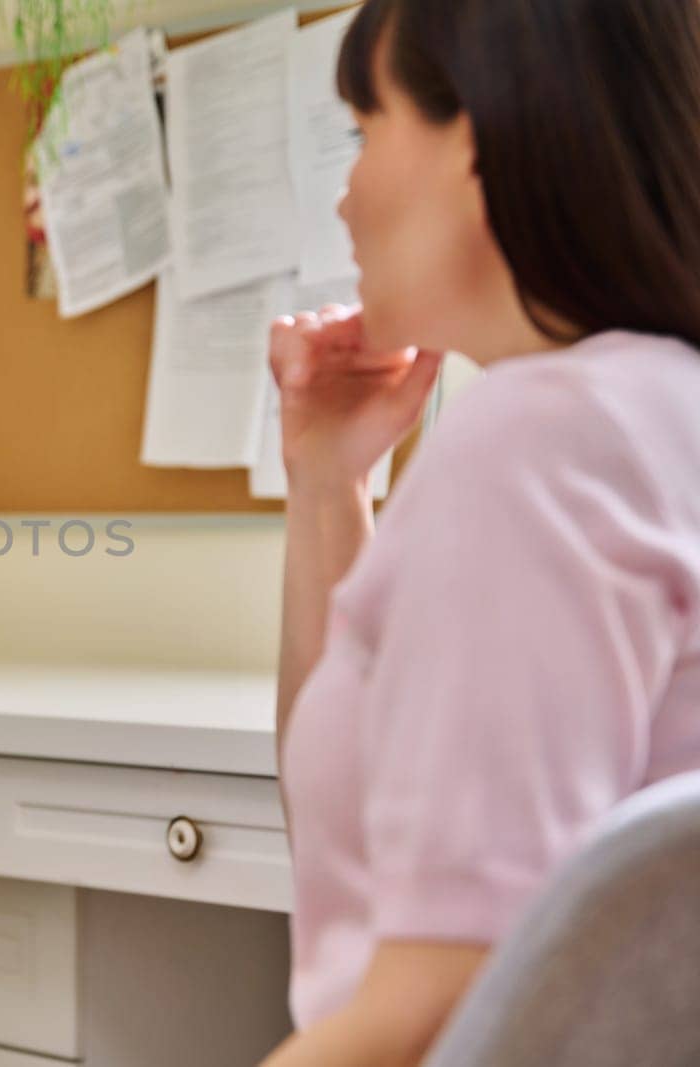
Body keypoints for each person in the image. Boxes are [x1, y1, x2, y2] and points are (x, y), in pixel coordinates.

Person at [260, 1, 700, 1063]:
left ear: (476, 135)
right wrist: (330, 481)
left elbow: (439, 1010)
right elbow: (377, 814)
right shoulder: (656, 405)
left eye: (366, 132)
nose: (346, 193)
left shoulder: (534, 441)